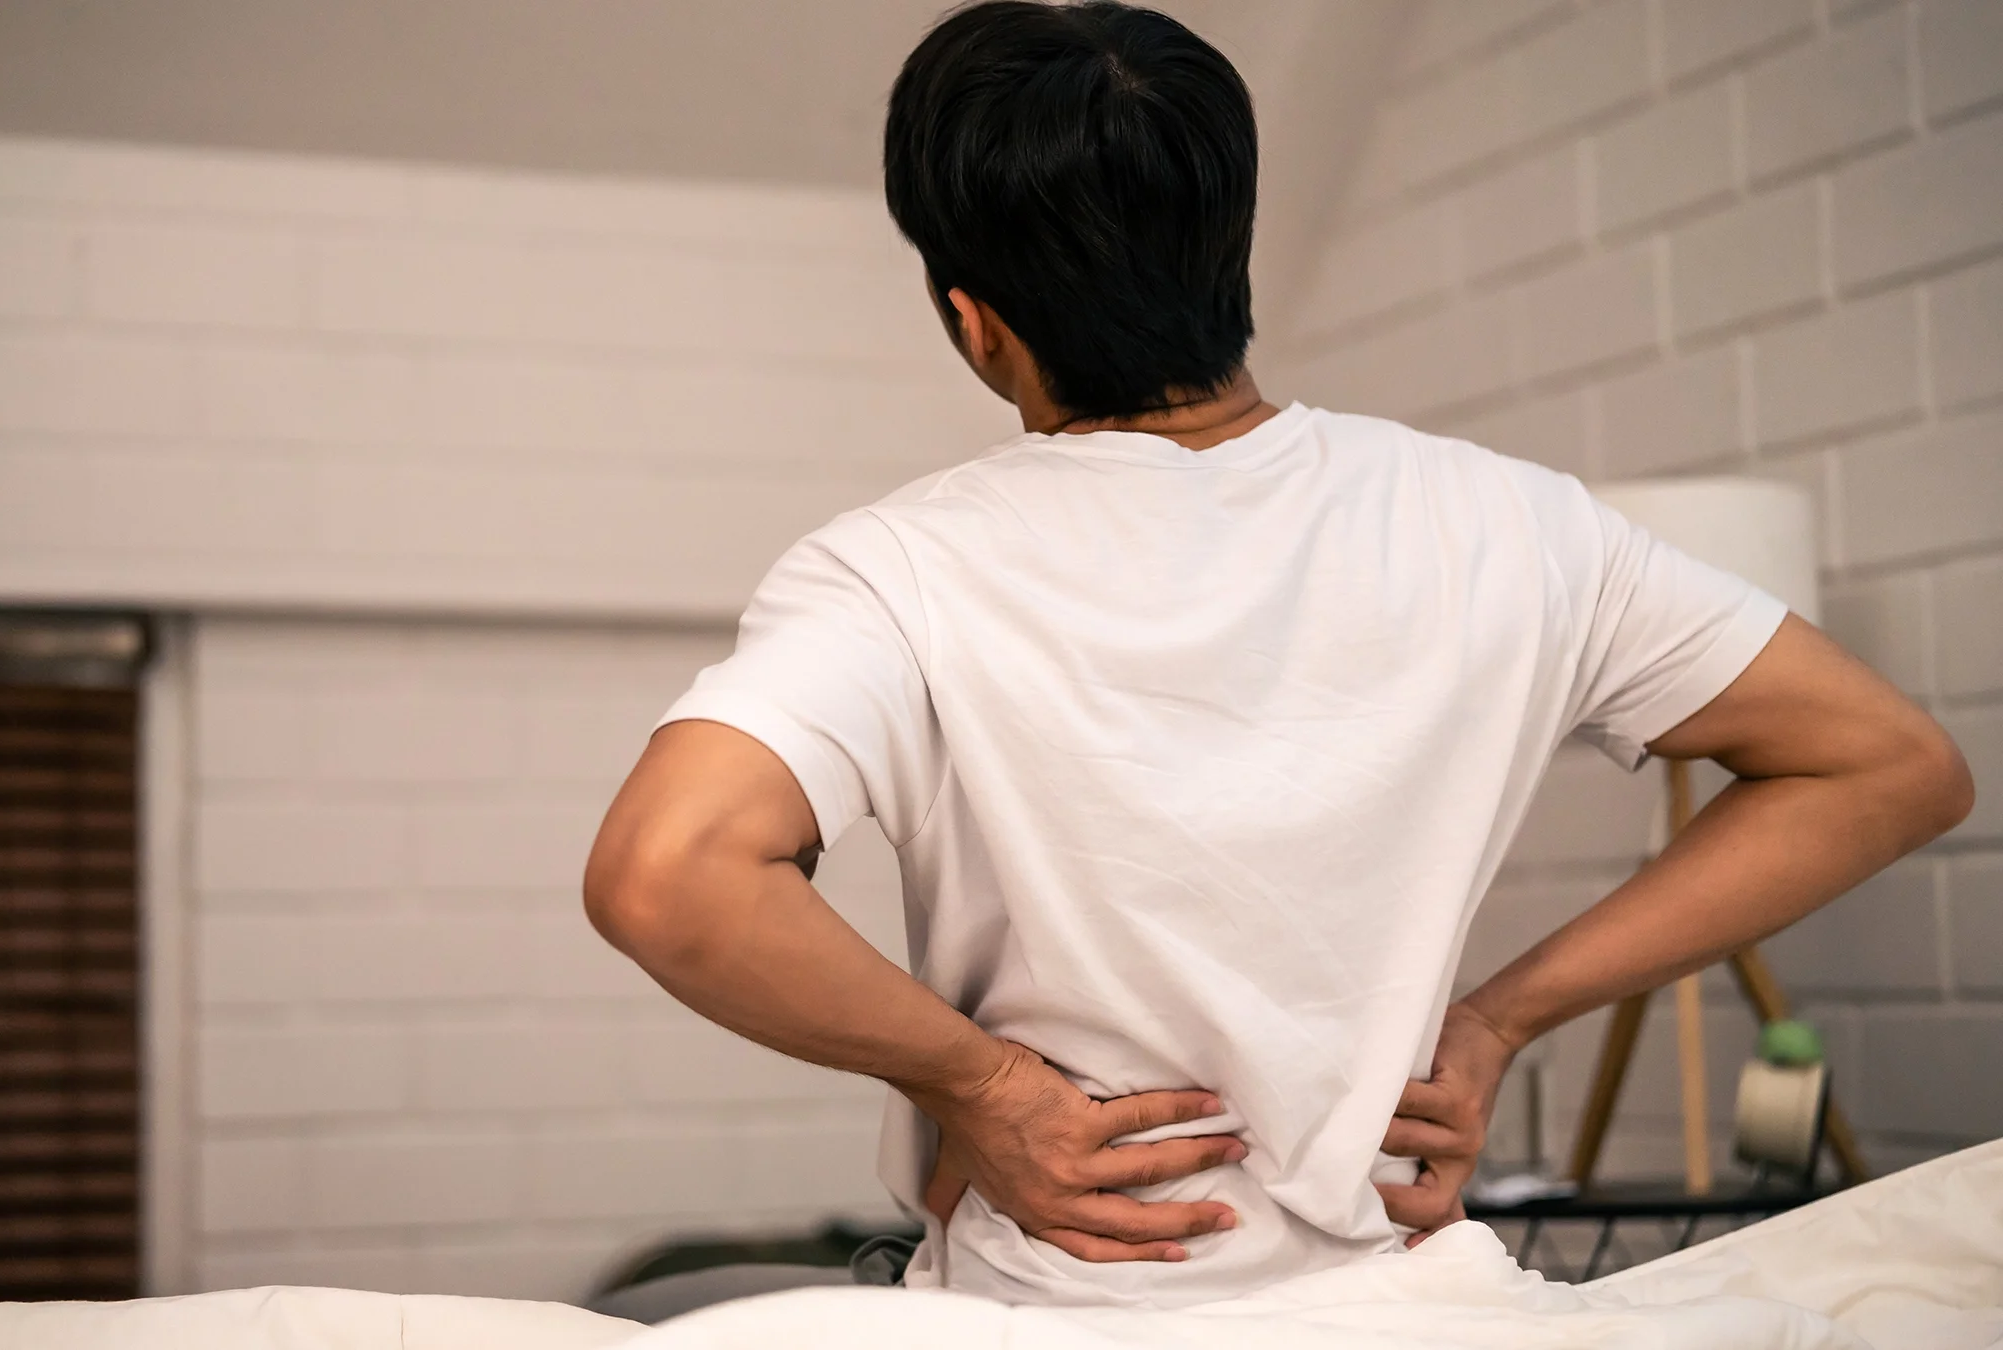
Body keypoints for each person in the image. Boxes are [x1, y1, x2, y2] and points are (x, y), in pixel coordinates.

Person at [583, 0, 1973, 1311]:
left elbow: (668, 871)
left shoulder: (901, 569)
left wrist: (984, 1085)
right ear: (1230, 249)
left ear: (974, 321)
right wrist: (1499, 1020)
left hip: (1066, 1304)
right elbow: (1891, 764)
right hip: (1412, 1302)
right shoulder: (1514, 523)